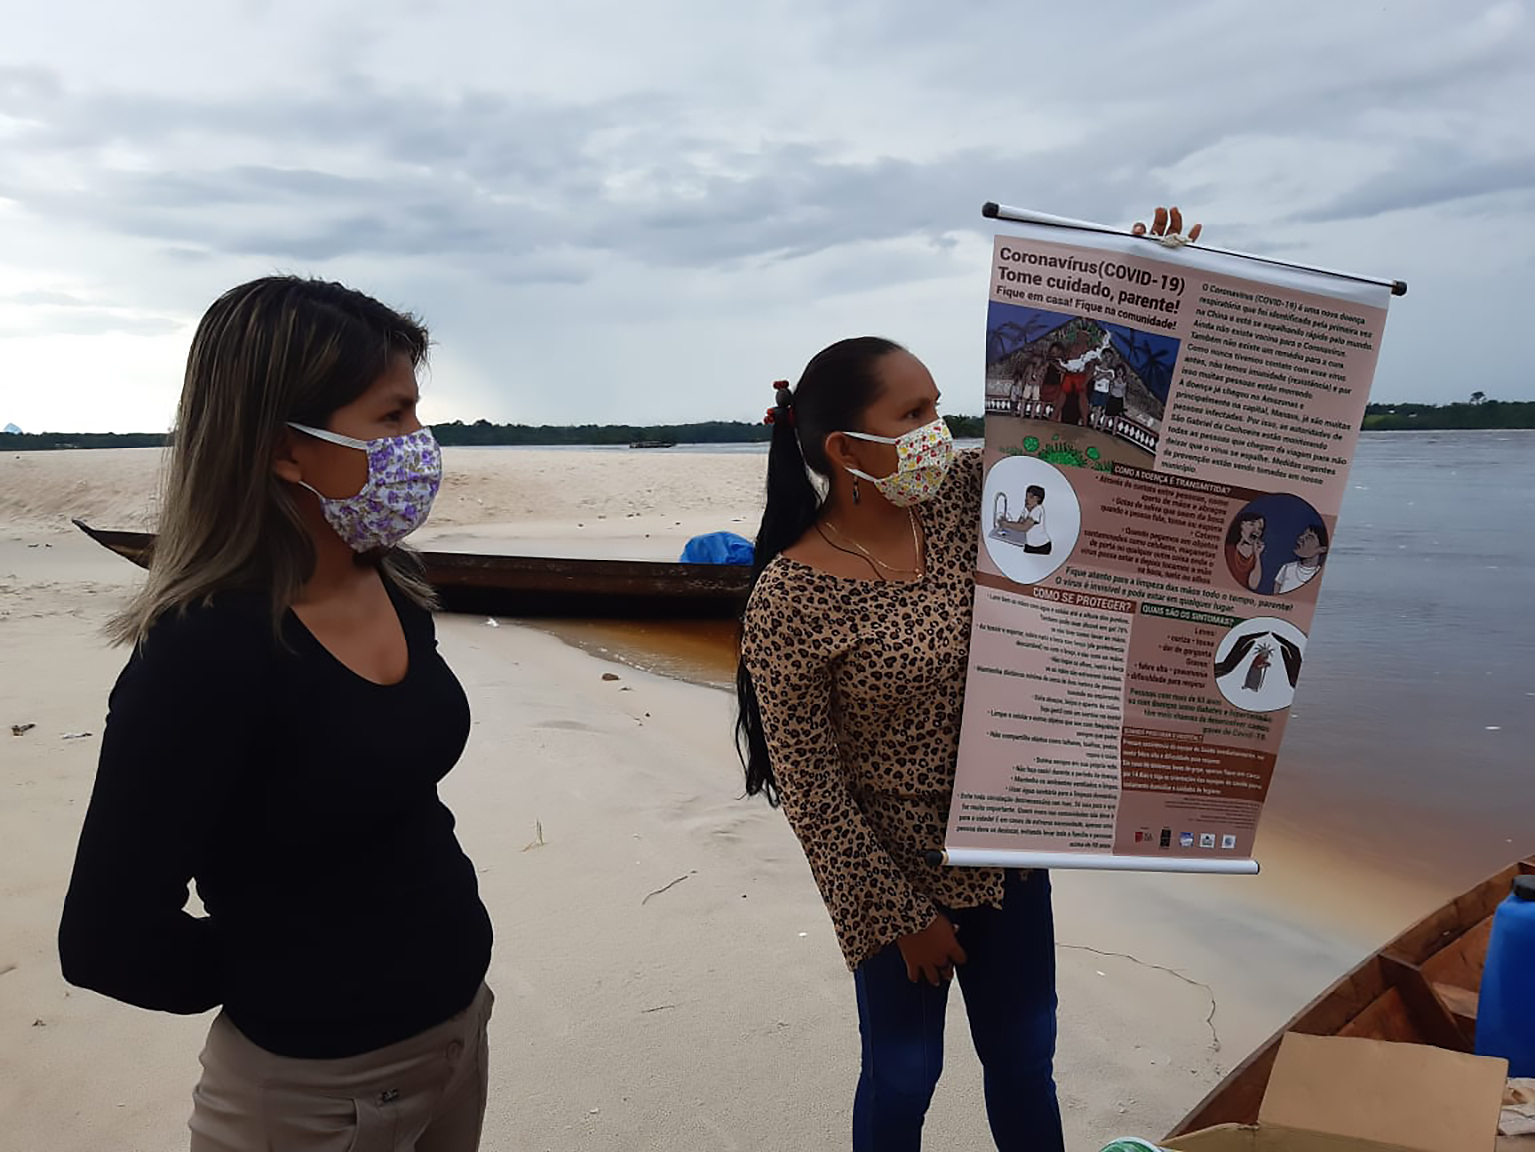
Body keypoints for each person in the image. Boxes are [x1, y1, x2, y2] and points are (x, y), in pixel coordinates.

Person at [58, 277, 495, 1152]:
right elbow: (106, 939)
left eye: (418, 413)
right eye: (393, 416)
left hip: (458, 1039)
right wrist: (292, 970)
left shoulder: (392, 582)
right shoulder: (205, 653)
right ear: (285, 448)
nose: (422, 444)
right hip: (313, 1098)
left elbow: (389, 798)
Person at [736, 339, 1064, 1151]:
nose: (939, 431)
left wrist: (1143, 284)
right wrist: (898, 918)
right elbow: (808, 785)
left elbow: (1088, 459)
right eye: (913, 414)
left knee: (1025, 1061)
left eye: (937, 406)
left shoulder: (963, 502)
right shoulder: (788, 595)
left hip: (1006, 853)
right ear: (846, 449)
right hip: (892, 876)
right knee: (904, 1076)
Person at [1273, 521, 1329, 594]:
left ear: (1322, 549)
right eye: (1303, 534)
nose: (1301, 538)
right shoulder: (1287, 568)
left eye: (1309, 537)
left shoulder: (1319, 575)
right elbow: (1276, 589)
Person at [1224, 512, 1266, 592]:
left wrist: (1257, 555)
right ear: (1242, 525)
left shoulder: (1257, 554)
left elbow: (1253, 585)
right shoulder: (1228, 549)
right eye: (1252, 524)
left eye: (1260, 528)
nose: (1256, 531)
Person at [1020, 485, 1051, 555]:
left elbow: (1024, 527)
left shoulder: (1038, 510)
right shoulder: (1027, 509)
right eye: (1026, 496)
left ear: (1038, 499)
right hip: (1029, 545)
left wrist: (1006, 524)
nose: (1026, 499)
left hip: (1041, 546)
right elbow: (1019, 523)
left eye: (1030, 497)